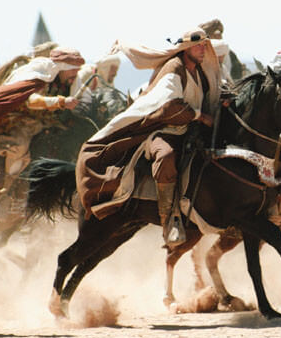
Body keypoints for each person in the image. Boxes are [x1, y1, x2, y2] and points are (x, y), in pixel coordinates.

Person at [75, 27, 221, 245]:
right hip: (165, 130)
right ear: (186, 48)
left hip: (192, 130)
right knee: (166, 156)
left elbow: (211, 94)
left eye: (204, 45)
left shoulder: (201, 71)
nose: (202, 50)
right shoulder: (174, 68)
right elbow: (168, 106)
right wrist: (199, 116)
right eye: (198, 45)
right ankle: (169, 220)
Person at [0, 46, 85, 192]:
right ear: (63, 67)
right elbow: (30, 100)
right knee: (18, 146)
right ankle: (8, 185)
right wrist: (60, 102)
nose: (76, 73)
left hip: (42, 122)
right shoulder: (42, 72)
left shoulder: (69, 82)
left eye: (77, 69)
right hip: (15, 120)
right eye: (72, 69)